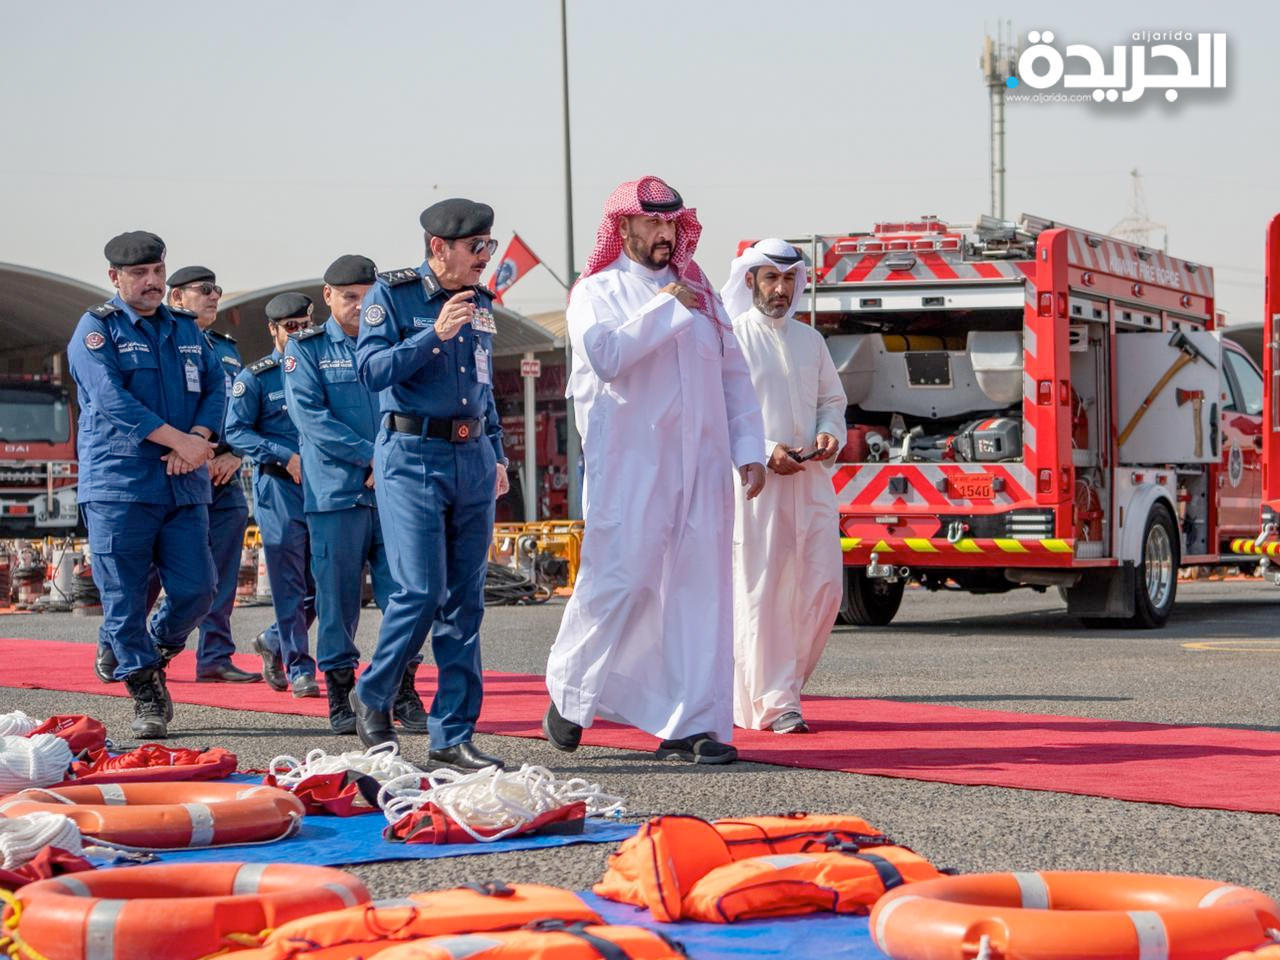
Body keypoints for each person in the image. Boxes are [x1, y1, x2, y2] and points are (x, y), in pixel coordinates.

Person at [542, 176, 767, 765]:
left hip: (705, 463)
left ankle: (693, 725)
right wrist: (666, 308)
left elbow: (734, 376)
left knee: (700, 589)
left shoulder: (701, 293)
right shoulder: (599, 290)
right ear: (624, 227)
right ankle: (570, 693)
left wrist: (748, 449)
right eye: (654, 223)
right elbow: (607, 356)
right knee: (622, 579)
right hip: (631, 465)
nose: (666, 234)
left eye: (673, 223)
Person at [353, 198, 508, 770]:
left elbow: (484, 386)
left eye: (489, 246)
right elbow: (372, 372)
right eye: (476, 248)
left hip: (470, 456)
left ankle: (452, 735)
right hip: (411, 453)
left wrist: (497, 453)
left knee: (465, 604)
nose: (485, 258)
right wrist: (433, 336)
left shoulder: (483, 303)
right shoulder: (391, 296)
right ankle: (373, 692)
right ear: (438, 248)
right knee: (419, 591)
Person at [67, 231, 222, 737]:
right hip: (120, 484)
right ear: (115, 278)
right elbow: (112, 401)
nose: (152, 281)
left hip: (182, 485)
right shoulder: (97, 331)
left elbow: (218, 385)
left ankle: (148, 646)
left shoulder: (185, 329)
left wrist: (198, 438)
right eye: (139, 274)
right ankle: (146, 692)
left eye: (157, 271)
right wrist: (180, 441)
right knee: (124, 596)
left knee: (198, 589)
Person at [284, 255, 418, 734]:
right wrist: (375, 457)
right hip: (337, 495)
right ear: (328, 296)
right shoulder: (306, 349)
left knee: (406, 594)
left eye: (368, 297)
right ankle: (341, 693)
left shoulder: (394, 344)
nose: (360, 307)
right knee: (337, 603)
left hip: (394, 493)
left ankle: (401, 689)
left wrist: (386, 461)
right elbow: (311, 419)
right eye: (349, 298)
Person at [721, 239, 847, 733]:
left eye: (788, 279)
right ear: (750, 280)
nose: (780, 289)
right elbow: (724, 412)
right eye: (771, 278)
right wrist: (768, 448)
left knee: (823, 588)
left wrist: (829, 433)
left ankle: (781, 689)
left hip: (811, 481)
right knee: (764, 592)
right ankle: (777, 702)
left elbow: (831, 401)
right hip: (758, 485)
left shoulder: (809, 341)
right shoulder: (733, 338)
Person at [153, 266, 262, 683]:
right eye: (204, 290)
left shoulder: (226, 349)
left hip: (223, 475)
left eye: (217, 289)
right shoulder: (160, 343)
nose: (215, 296)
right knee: (150, 573)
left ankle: (214, 654)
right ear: (176, 298)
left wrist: (233, 455)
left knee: (221, 572)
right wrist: (191, 451)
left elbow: (241, 412)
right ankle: (133, 649)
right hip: (174, 470)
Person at [225, 292, 319, 698]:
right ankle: (299, 666)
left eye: (305, 324)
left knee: (325, 584)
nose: (299, 333)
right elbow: (236, 431)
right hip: (279, 488)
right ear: (273, 330)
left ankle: (273, 640)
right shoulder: (256, 378)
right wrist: (284, 455)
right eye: (290, 327)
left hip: (326, 486)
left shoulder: (325, 366)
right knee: (288, 583)